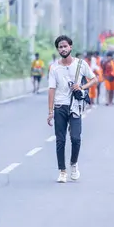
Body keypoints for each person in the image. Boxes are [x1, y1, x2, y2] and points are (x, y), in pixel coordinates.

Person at [47, 35, 97, 183]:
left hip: (75, 107)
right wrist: (50, 112)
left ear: (70, 47)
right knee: (60, 140)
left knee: (75, 138)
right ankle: (62, 171)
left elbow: (94, 79)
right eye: (60, 47)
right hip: (60, 106)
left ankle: (73, 164)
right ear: (58, 50)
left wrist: (81, 87)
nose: (63, 49)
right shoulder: (54, 67)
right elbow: (51, 89)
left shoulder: (81, 64)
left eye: (65, 46)